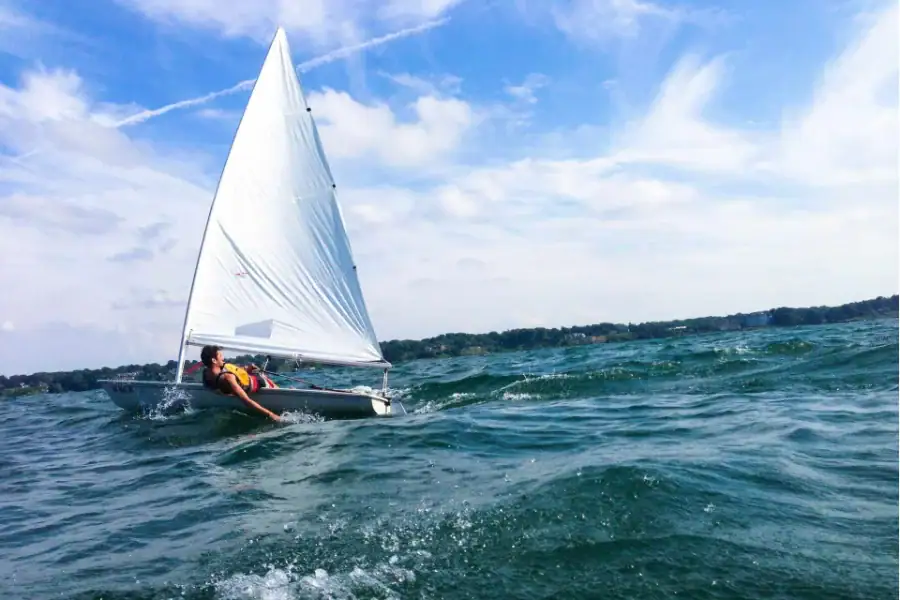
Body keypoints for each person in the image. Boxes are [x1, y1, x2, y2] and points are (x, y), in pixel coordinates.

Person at [199, 345, 280, 422]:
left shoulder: (206, 374)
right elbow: (247, 401)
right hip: (258, 382)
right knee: (276, 389)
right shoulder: (227, 378)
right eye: (220, 356)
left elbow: (234, 372)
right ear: (214, 360)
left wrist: (246, 368)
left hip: (255, 378)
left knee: (266, 380)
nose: (223, 359)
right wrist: (271, 414)